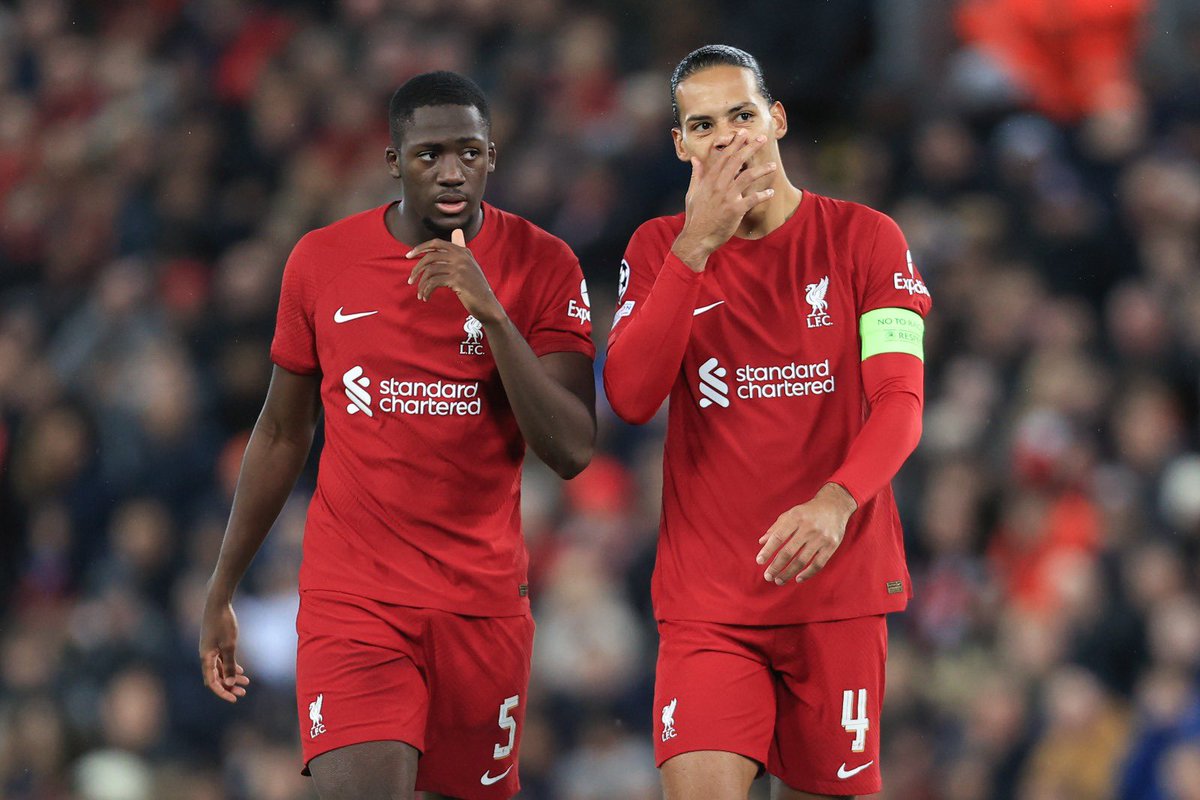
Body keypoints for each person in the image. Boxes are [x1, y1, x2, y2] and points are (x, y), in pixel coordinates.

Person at [198, 71, 597, 800]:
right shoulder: (322, 261)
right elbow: (283, 431)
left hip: (482, 606)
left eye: (469, 152)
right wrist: (223, 585)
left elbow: (571, 449)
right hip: (355, 601)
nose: (452, 172)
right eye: (429, 154)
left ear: (492, 156)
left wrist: (492, 314)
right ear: (393, 161)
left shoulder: (545, 264)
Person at [604, 45, 931, 799]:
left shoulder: (867, 239)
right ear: (680, 145)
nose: (727, 137)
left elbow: (901, 402)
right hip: (710, 604)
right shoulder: (657, 248)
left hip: (836, 596)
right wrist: (696, 246)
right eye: (703, 125)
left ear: (776, 120)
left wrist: (837, 500)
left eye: (742, 114)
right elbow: (630, 396)